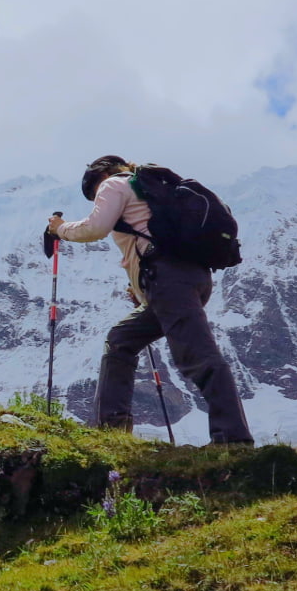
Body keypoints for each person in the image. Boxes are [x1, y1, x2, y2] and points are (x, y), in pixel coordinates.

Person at [48, 155, 254, 447]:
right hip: (189, 278)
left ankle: (233, 439)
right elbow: (145, 243)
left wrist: (60, 228)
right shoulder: (151, 191)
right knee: (121, 338)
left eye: (93, 194)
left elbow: (95, 228)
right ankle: (111, 430)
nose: (97, 198)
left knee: (198, 355)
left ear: (102, 174)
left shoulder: (113, 184)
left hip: (169, 282)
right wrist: (145, 291)